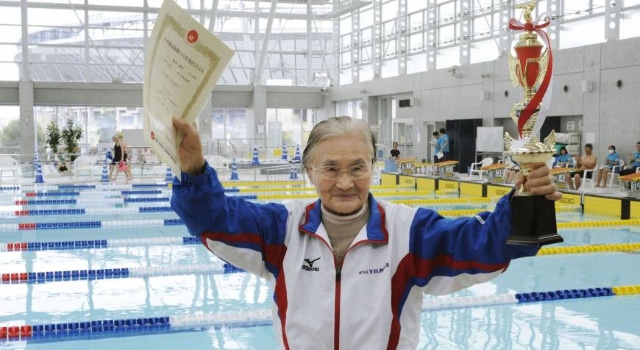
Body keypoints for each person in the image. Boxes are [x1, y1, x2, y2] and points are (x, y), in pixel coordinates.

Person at [170, 116, 560, 349]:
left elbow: (485, 245)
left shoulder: (411, 232)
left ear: (373, 167)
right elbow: (215, 220)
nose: (344, 182)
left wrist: (527, 201)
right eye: (330, 168)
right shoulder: (280, 229)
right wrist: (193, 169)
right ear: (309, 171)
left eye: (357, 167)